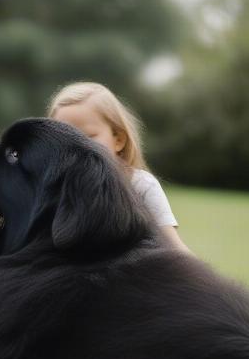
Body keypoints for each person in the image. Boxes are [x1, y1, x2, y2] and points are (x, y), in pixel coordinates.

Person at [47, 81, 191, 252]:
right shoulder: (52, 190)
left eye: (87, 137)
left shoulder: (140, 185)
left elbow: (174, 248)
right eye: (64, 140)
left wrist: (203, 279)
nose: (76, 147)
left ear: (118, 140)